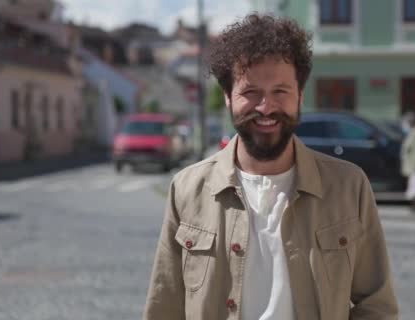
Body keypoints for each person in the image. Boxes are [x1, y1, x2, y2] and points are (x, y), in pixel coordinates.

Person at [143, 14, 398, 320]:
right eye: (251, 93)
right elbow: (164, 308)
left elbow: (376, 306)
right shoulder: (186, 189)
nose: (266, 107)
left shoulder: (348, 186)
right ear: (227, 98)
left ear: (300, 96)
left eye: (280, 91)